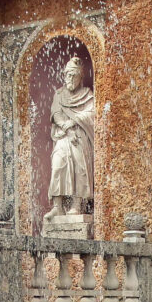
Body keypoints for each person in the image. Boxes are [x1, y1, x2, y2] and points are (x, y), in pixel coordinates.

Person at [46, 56, 95, 219]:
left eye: (74, 75)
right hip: (63, 137)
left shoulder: (87, 94)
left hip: (80, 138)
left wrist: (73, 122)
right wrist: (66, 127)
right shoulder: (59, 94)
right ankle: (57, 206)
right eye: (68, 74)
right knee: (58, 166)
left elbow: (92, 113)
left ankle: (76, 204)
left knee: (80, 168)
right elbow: (55, 113)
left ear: (81, 77)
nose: (70, 78)